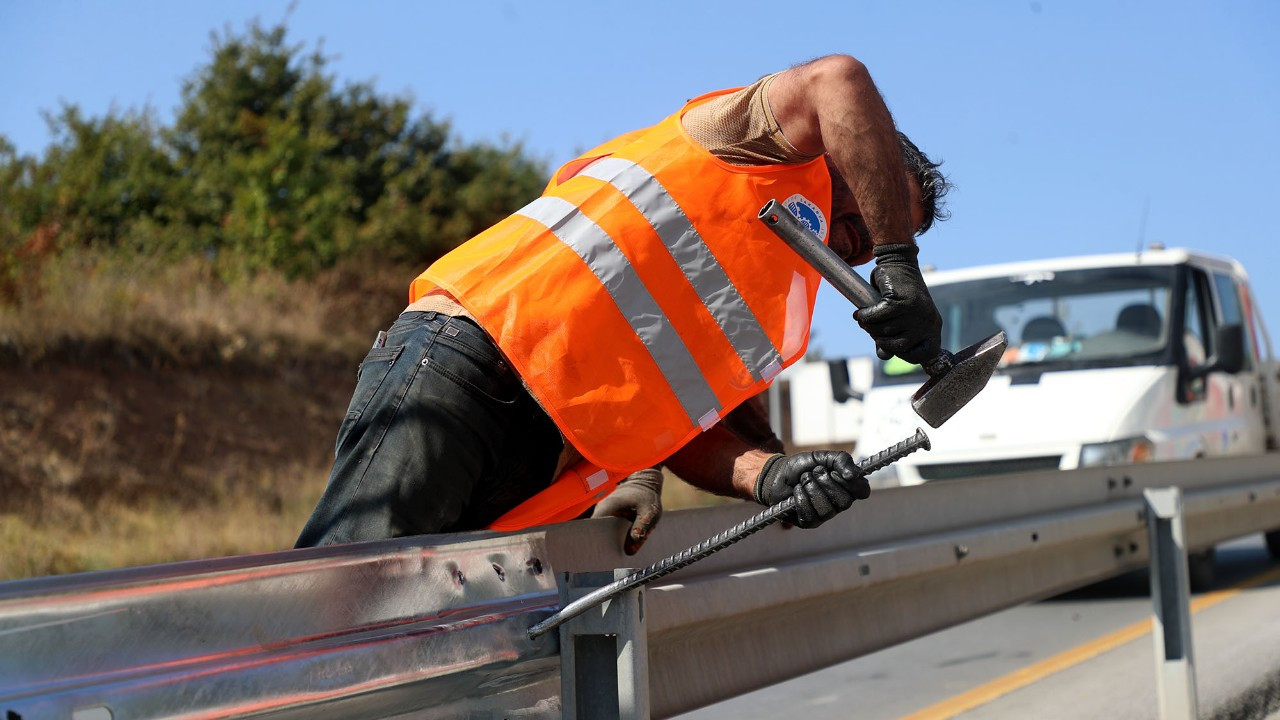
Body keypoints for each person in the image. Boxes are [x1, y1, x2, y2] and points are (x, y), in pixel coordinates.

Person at [295, 54, 950, 551]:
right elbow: (838, 78)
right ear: (846, 151)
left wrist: (770, 475)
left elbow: (687, 428)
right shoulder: (743, 146)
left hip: (549, 457)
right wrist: (900, 261)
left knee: (434, 656)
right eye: (873, 208)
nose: (861, 244)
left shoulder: (777, 308)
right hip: (472, 361)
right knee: (348, 610)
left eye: (873, 244)